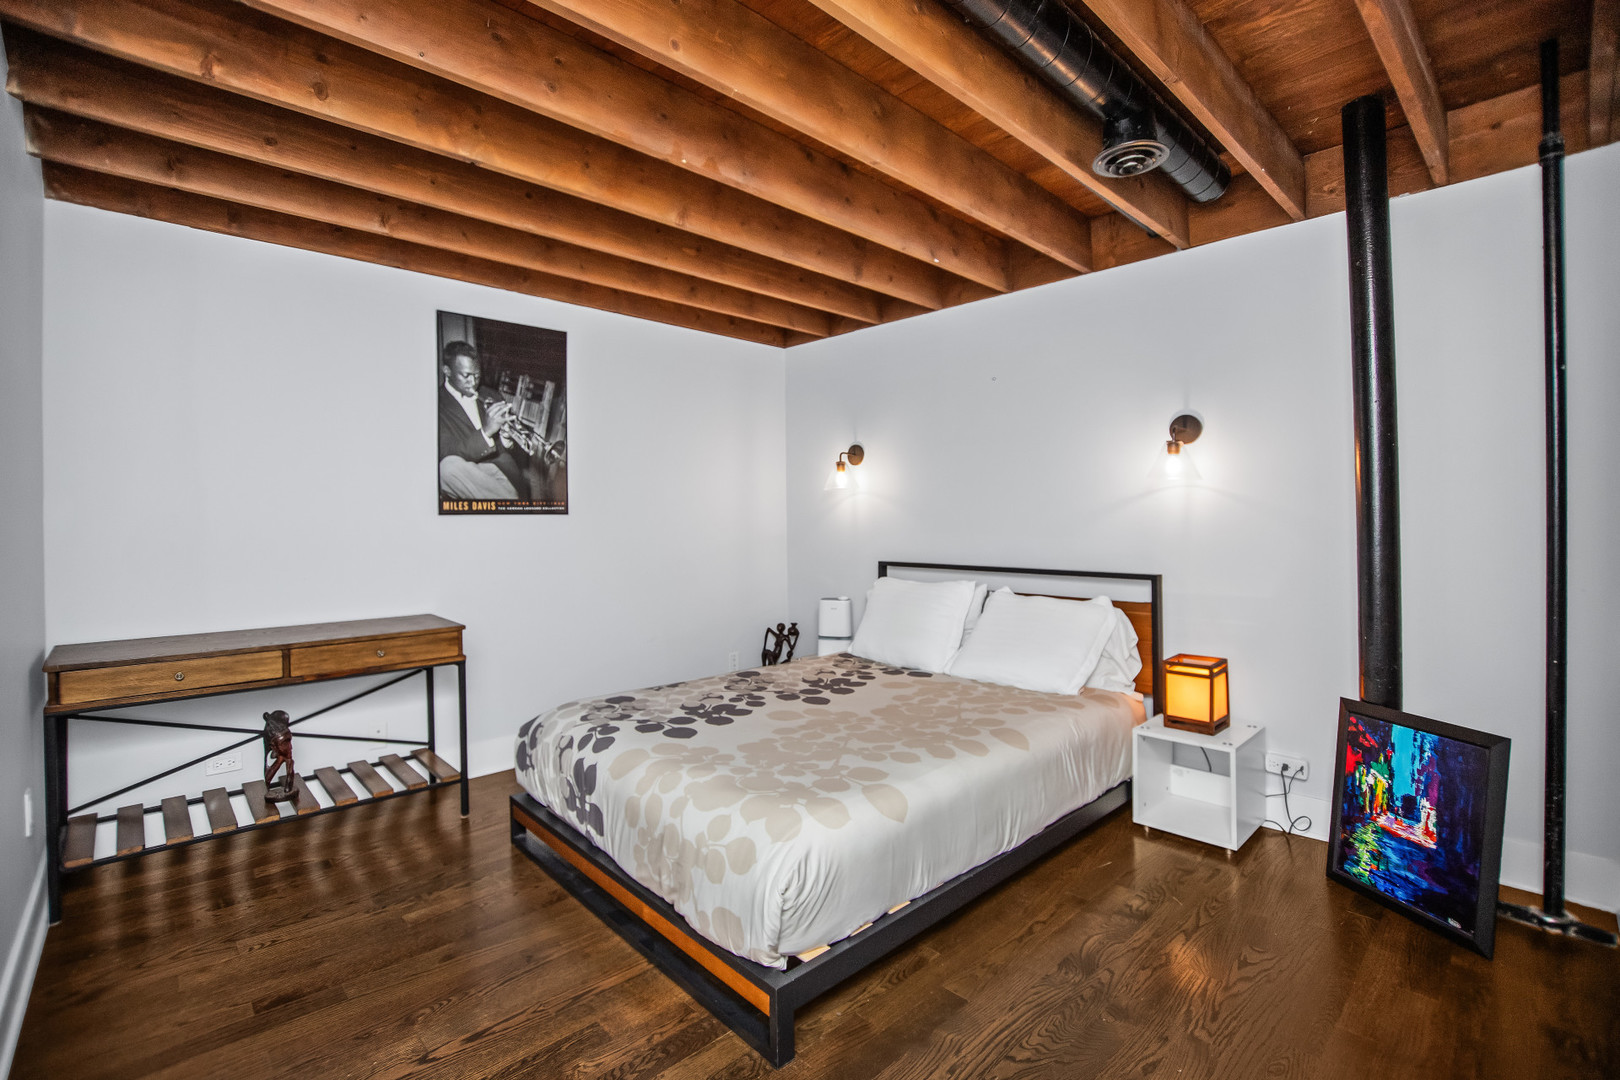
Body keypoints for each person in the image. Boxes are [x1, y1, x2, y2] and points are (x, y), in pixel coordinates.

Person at [438, 340, 530, 500]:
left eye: (477, 375)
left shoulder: (491, 395)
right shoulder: (435, 404)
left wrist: (507, 440)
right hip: (463, 480)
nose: (473, 382)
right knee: (447, 467)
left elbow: (521, 460)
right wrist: (486, 432)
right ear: (447, 371)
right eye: (466, 376)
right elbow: (446, 452)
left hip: (501, 474)